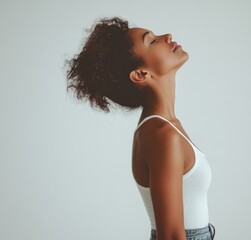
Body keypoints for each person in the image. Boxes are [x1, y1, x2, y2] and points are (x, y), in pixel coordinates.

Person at [65, 16, 215, 240]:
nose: (167, 37)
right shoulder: (162, 135)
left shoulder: (163, 127)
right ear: (140, 74)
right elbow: (172, 236)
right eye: (152, 41)